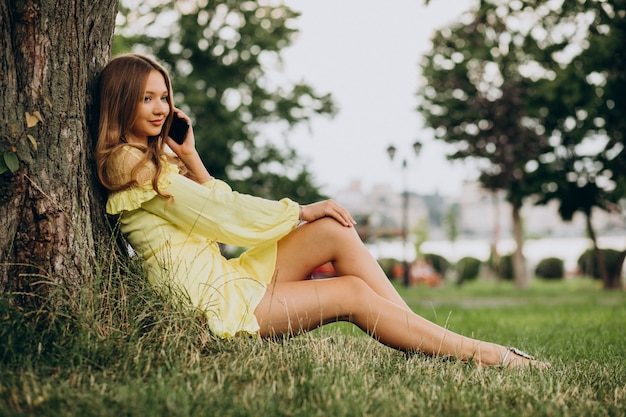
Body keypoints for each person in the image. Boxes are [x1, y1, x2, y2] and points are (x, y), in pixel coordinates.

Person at [95, 53, 549, 369]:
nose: (161, 108)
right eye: (147, 98)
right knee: (349, 290)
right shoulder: (128, 163)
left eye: (164, 97)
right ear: (121, 102)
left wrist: (191, 156)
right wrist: (298, 211)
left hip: (225, 279)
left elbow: (213, 210)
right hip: (213, 305)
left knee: (334, 228)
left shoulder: (156, 161)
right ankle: (488, 355)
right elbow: (224, 215)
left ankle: (422, 337)